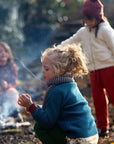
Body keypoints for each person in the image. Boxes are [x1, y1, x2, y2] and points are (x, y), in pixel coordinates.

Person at [18, 44, 98, 144]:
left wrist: (31, 106)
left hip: (79, 140)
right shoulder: (70, 84)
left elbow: (47, 122)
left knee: (40, 127)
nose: (43, 71)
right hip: (91, 136)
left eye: (47, 69)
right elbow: (55, 110)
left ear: (61, 71)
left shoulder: (56, 91)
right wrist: (33, 107)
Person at [58, 0, 114, 138]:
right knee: (98, 100)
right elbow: (72, 41)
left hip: (108, 68)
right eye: (85, 18)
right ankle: (103, 127)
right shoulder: (83, 31)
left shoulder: (105, 30)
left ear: (98, 17)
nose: (86, 22)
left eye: (89, 19)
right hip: (94, 71)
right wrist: (57, 49)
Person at [0, 42, 20, 121]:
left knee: (13, 92)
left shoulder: (12, 67)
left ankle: (14, 112)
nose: (3, 54)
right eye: (0, 52)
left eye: (6, 51)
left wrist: (6, 86)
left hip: (8, 91)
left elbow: (14, 83)